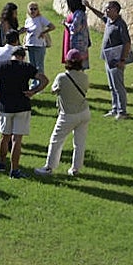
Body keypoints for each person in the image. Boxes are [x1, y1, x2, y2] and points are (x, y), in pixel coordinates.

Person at [0, 46, 47, 178]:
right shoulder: (26, 67)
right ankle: (14, 170)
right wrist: (34, 91)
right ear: (23, 56)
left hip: (6, 106)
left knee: (4, 137)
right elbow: (44, 80)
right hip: (22, 105)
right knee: (17, 139)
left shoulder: (1, 66)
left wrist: (1, 97)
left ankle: (1, 163)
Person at [35, 49, 90, 177]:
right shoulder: (84, 77)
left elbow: (54, 90)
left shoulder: (62, 77)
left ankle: (49, 167)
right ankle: (76, 169)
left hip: (68, 114)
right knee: (79, 143)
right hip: (84, 112)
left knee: (56, 140)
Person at [85, 0, 133, 118]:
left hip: (117, 60)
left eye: (108, 8)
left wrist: (122, 60)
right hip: (109, 58)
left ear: (116, 10)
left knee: (118, 86)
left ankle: (122, 111)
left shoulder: (120, 24)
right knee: (112, 86)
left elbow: (127, 43)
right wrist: (90, 7)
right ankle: (114, 108)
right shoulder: (109, 21)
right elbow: (101, 16)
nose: (105, 10)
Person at [0, 30, 22, 150]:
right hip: (11, 85)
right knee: (10, 115)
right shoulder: (16, 53)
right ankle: (8, 142)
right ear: (16, 40)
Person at [23, 1, 56, 79]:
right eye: (31, 9)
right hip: (29, 45)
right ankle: (33, 84)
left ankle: (40, 83)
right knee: (31, 66)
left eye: (35, 9)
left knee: (39, 66)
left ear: (38, 10)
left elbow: (52, 27)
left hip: (39, 45)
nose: (33, 11)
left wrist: (43, 32)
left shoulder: (41, 19)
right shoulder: (28, 20)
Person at [62, 0, 91, 69]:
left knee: (77, 61)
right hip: (83, 41)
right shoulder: (82, 13)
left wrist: (66, 24)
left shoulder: (78, 14)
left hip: (78, 42)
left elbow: (75, 28)